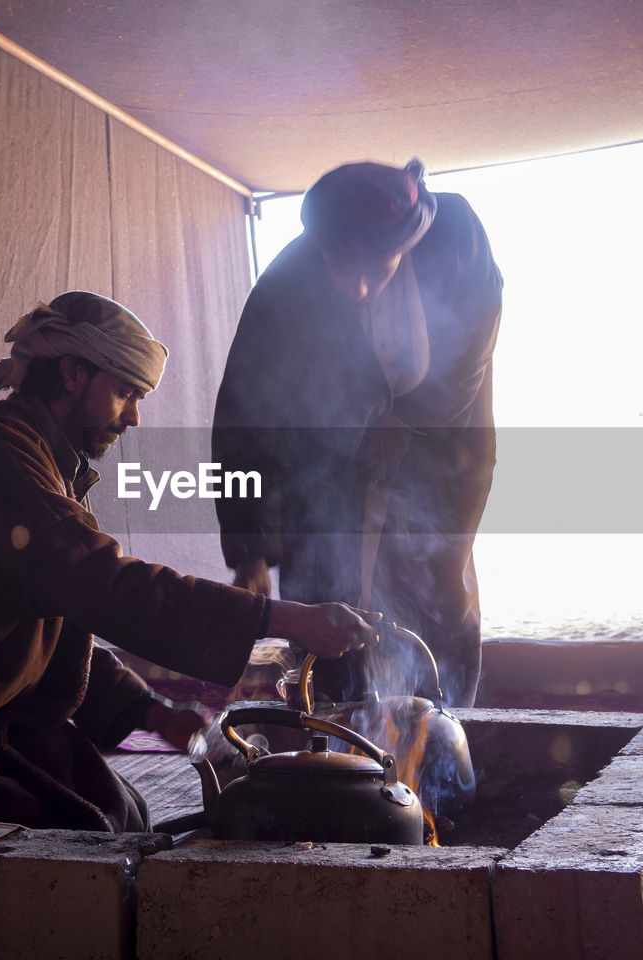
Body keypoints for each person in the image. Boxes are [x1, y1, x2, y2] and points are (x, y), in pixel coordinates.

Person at [0, 291, 379, 841]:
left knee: (124, 813)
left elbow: (61, 618)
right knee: (78, 846)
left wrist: (153, 713)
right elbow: (107, 585)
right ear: (71, 374)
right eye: (126, 393)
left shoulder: (45, 460)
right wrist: (284, 617)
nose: (134, 417)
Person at [211, 158, 503, 707]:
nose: (362, 288)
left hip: (440, 445)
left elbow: (466, 369)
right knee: (328, 606)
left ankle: (445, 725)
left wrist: (399, 430)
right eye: (342, 267)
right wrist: (248, 549)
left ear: (408, 244)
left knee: (438, 582)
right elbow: (241, 423)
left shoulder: (459, 243)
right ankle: (339, 733)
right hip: (325, 459)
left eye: (379, 267)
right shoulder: (284, 290)